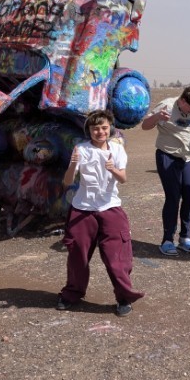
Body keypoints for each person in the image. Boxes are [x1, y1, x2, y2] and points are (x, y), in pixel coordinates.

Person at [57, 109, 144, 317]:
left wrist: (112, 168)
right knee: (77, 256)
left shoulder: (117, 149)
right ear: (89, 130)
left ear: (110, 128)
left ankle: (124, 297)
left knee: (117, 257)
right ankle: (72, 294)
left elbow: (123, 179)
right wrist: (73, 164)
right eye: (95, 128)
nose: (100, 132)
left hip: (110, 208)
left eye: (104, 128)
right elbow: (67, 181)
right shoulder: (81, 149)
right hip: (82, 209)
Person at [141, 86, 190, 256]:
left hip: (188, 158)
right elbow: (145, 126)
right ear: (183, 100)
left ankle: (185, 238)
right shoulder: (167, 105)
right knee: (173, 196)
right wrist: (157, 117)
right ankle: (167, 240)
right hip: (167, 156)